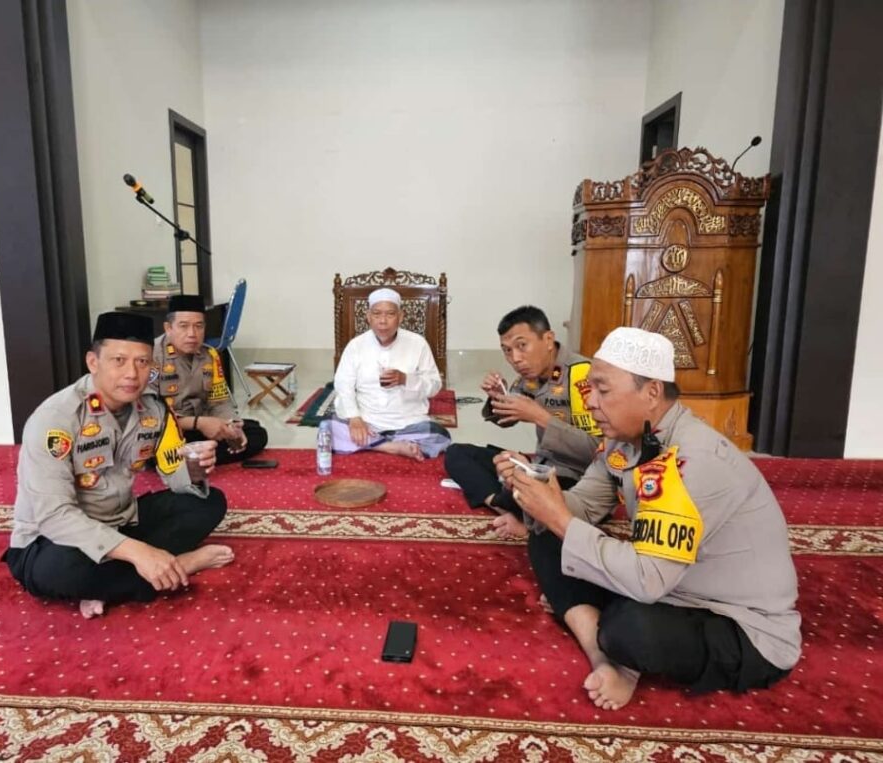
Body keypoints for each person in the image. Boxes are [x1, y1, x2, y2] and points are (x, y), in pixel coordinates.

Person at [503, 326, 801, 711]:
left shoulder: (695, 460)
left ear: (652, 393)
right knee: (547, 536)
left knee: (631, 629)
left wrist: (559, 518)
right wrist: (538, 491)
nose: (590, 402)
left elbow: (646, 581)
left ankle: (606, 641)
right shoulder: (623, 439)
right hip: (666, 583)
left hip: (735, 619)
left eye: (602, 390)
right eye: (590, 389)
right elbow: (583, 507)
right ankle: (602, 656)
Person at [3, 312, 234, 619]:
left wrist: (194, 467)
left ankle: (111, 581)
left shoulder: (153, 410)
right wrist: (139, 551)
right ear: (93, 362)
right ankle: (180, 565)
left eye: (142, 362)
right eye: (119, 361)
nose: (132, 374)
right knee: (59, 570)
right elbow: (53, 516)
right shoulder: (56, 419)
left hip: (122, 520)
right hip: (55, 539)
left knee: (209, 503)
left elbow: (172, 474)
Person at [444, 306, 601, 536]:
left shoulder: (582, 376)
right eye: (507, 350)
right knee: (457, 454)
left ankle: (518, 508)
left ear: (548, 340)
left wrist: (540, 417)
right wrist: (498, 397)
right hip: (538, 466)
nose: (515, 359)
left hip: (576, 477)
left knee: (529, 490)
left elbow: (598, 452)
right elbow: (507, 420)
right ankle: (502, 504)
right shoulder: (529, 377)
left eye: (522, 346)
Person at [331, 287, 450, 461]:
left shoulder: (418, 343)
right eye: (377, 314)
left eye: (390, 314)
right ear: (368, 316)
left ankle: (371, 444)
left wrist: (406, 379)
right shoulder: (356, 346)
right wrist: (355, 418)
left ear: (400, 316)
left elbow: (434, 385)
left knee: (440, 435)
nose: (383, 321)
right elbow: (343, 385)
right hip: (368, 420)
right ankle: (394, 447)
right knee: (328, 429)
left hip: (409, 421)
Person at [152, 294, 268, 464]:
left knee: (256, 433)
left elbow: (219, 401)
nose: (192, 334)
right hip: (166, 429)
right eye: (183, 326)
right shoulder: (151, 356)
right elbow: (149, 416)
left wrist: (231, 424)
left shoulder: (209, 355)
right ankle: (197, 455)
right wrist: (199, 423)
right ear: (168, 328)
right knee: (155, 449)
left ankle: (194, 457)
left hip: (200, 426)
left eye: (198, 326)